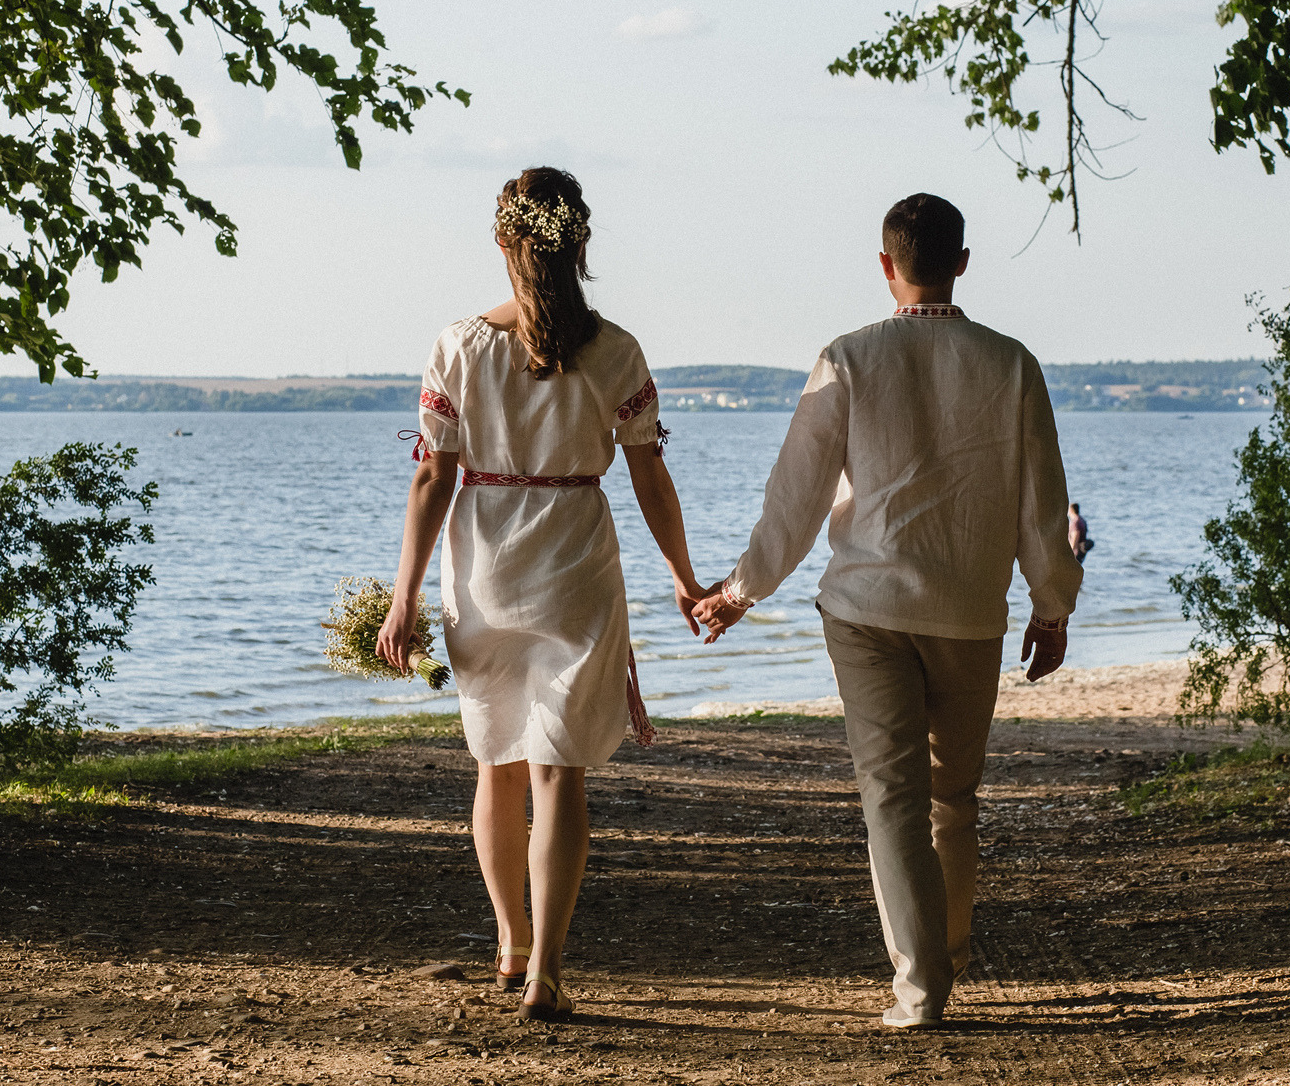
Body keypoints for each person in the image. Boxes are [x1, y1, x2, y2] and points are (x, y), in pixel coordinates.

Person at [693, 193, 1081, 1029]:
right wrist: (1051, 609)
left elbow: (795, 495)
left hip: (867, 608)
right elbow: (1040, 503)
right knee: (953, 799)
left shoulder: (850, 357)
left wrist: (740, 590)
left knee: (893, 797)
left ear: (884, 265)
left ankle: (921, 986)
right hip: (970, 609)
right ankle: (947, 956)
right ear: (963, 262)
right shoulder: (1011, 363)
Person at [376, 167, 703, 1024]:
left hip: (484, 565)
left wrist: (403, 595)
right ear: (581, 241)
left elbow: (430, 480)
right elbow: (650, 476)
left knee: (498, 764)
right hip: (575, 563)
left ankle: (509, 941)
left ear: (501, 239)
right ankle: (547, 969)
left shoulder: (458, 344)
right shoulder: (617, 348)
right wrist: (683, 574)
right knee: (559, 772)